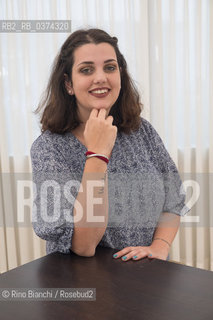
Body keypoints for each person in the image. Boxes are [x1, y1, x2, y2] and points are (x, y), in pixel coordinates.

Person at [31, 28, 189, 262]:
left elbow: (173, 198)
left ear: (120, 75)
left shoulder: (141, 130)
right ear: (68, 84)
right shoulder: (49, 149)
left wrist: (160, 246)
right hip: (85, 285)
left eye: (110, 67)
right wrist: (97, 154)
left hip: (147, 277)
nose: (101, 77)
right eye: (86, 70)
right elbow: (84, 246)